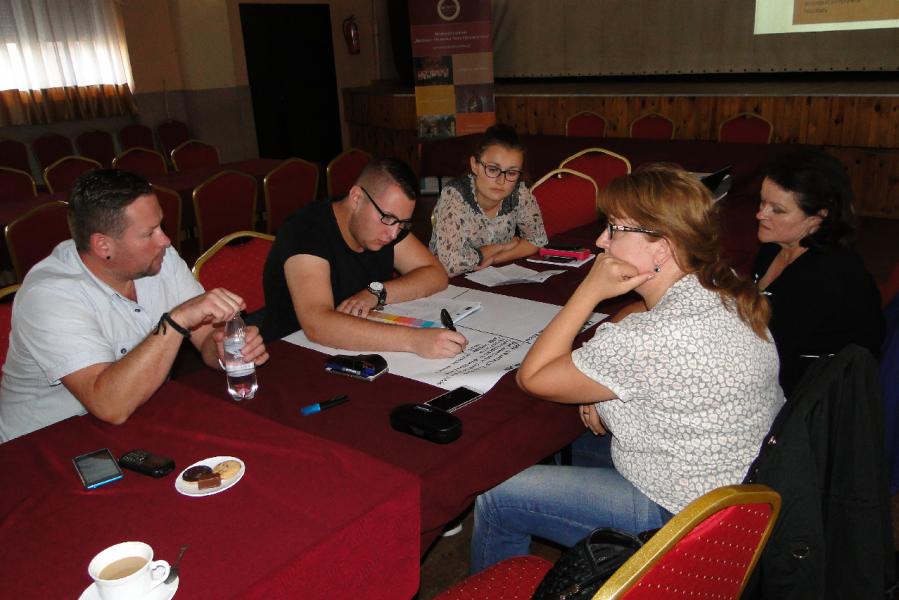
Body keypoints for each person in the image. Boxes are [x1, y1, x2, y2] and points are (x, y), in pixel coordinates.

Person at [470, 165, 783, 573]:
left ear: (662, 247)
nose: (601, 241)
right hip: (737, 494)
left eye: (615, 229)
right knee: (557, 441)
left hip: (682, 517)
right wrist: (601, 383)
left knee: (496, 497)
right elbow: (640, 315)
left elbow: (533, 377)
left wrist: (589, 290)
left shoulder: (651, 339)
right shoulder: (722, 290)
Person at [0, 169, 269, 442]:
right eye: (149, 233)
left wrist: (224, 350)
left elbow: (207, 339)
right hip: (40, 443)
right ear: (103, 245)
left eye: (160, 225)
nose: (165, 240)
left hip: (136, 420)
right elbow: (110, 406)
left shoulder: (160, 259)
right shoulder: (50, 295)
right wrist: (175, 321)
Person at [261, 157, 467, 357]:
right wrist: (414, 340)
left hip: (354, 348)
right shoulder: (305, 231)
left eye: (402, 223)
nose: (393, 234)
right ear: (356, 198)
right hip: (292, 355)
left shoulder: (386, 228)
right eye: (388, 218)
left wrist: (376, 292)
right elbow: (317, 324)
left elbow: (436, 275)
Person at [752, 148, 884, 396]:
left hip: (811, 395)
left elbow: (771, 351)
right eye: (762, 201)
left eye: (777, 209)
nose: (760, 214)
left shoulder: (828, 277)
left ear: (817, 218)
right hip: (778, 369)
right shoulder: (774, 247)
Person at [429, 124, 548, 276]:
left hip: (492, 276)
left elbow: (537, 240)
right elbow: (450, 264)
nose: (501, 180)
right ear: (475, 165)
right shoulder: (455, 194)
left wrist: (494, 259)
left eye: (511, 173)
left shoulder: (518, 193)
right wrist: (499, 247)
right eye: (492, 169)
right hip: (448, 281)